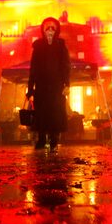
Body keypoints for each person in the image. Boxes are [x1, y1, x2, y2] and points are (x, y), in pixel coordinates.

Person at [26, 17, 70, 153]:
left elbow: (66, 66)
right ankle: (41, 138)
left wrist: (67, 84)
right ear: (43, 30)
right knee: (42, 112)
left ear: (56, 30)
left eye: (53, 27)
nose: (50, 30)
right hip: (42, 85)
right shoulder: (38, 46)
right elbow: (33, 68)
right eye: (47, 27)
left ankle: (54, 139)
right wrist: (30, 87)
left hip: (57, 86)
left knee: (56, 112)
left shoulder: (61, 46)